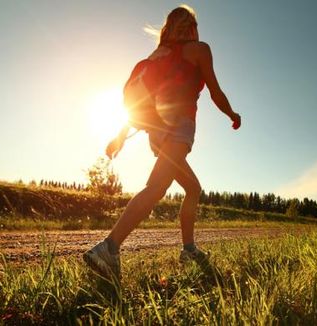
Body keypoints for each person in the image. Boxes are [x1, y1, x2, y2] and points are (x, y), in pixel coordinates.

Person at [83, 5, 241, 279]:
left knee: (193, 188)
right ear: (191, 27)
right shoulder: (199, 49)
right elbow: (215, 91)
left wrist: (119, 136)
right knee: (156, 187)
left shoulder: (156, 58)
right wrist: (232, 114)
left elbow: (142, 102)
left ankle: (189, 248)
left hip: (157, 133)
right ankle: (108, 247)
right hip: (179, 128)